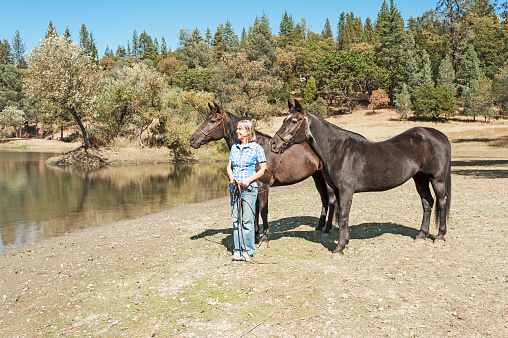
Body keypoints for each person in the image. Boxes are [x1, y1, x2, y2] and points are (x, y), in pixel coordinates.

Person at [227, 120, 267, 262]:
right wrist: (231, 178)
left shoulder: (257, 148)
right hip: (234, 189)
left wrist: (249, 180)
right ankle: (237, 250)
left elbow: (263, 169)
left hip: (249, 189)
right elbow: (229, 167)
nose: (237, 131)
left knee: (247, 221)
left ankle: (247, 251)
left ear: (248, 131)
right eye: (237, 129)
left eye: (240, 129)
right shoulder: (234, 148)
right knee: (236, 220)